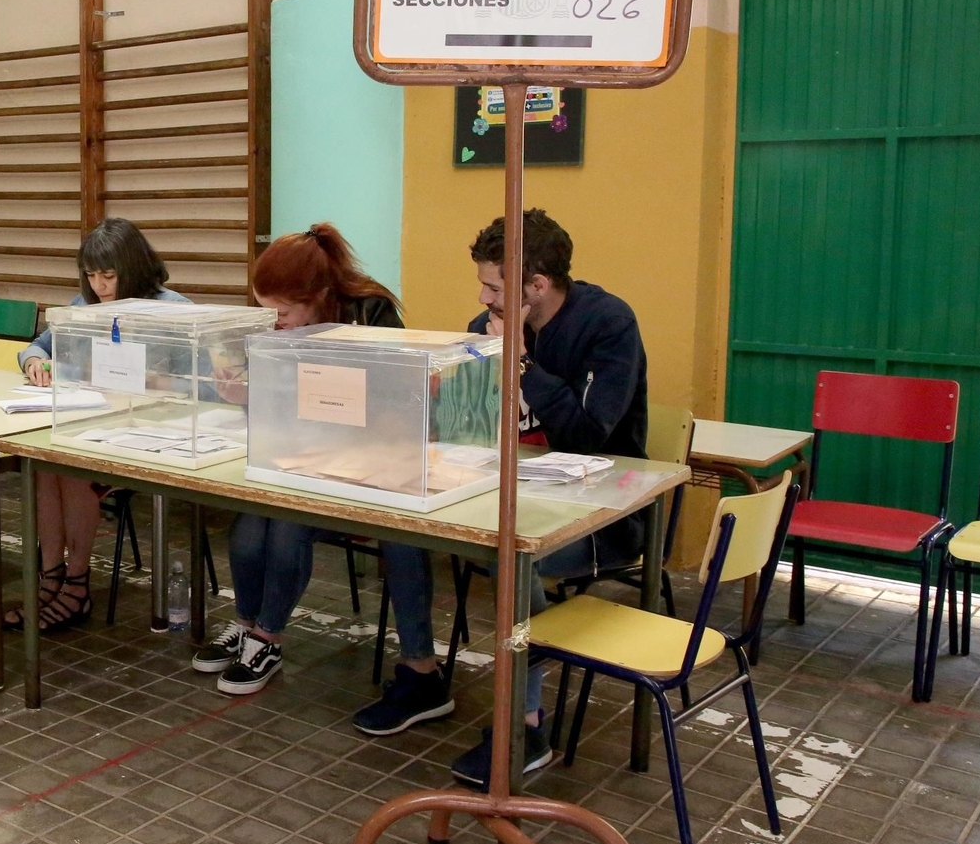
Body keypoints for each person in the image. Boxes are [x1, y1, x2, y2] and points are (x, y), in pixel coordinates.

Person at [354, 207, 649, 787]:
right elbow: (467, 427)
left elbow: (591, 434)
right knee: (403, 525)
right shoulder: (484, 327)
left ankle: (525, 722)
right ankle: (421, 673)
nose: (483, 299)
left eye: (495, 287)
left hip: (603, 512)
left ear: (536, 287)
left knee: (516, 559)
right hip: (501, 492)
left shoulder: (608, 325)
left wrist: (519, 363)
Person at [190, 225, 440, 696]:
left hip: (371, 465)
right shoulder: (280, 330)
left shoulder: (371, 315)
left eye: (283, 311)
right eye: (266, 310)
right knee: (248, 528)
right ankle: (246, 624)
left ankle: (268, 637)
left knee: (286, 529)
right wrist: (244, 394)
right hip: (302, 457)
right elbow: (280, 410)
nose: (275, 321)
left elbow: (404, 401)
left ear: (319, 296)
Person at [5, 218, 188, 633]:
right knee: (43, 464)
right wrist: (35, 362)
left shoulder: (172, 309)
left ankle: (77, 582)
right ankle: (50, 576)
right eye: (91, 276)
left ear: (135, 269)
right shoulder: (83, 308)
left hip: (149, 430)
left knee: (72, 473)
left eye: (109, 275)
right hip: (93, 422)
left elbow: (198, 383)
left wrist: (155, 381)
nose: (101, 287)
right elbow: (36, 347)